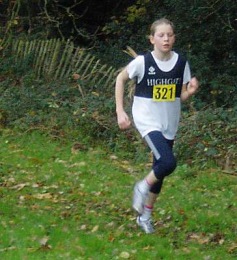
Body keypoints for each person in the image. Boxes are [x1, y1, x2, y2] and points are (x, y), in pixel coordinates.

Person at [115, 18, 199, 234]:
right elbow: (120, 79)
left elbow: (180, 95)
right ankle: (141, 187)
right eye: (161, 35)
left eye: (169, 35)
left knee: (159, 169)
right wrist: (120, 111)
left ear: (174, 38)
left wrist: (189, 92)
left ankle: (145, 216)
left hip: (169, 122)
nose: (166, 39)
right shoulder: (143, 62)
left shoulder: (181, 63)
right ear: (152, 39)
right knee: (168, 162)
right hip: (147, 119)